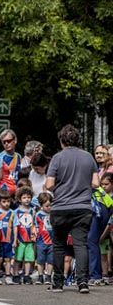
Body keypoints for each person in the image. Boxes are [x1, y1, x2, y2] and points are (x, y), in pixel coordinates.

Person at [45, 124, 100, 292]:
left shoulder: (57, 158)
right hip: (83, 207)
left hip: (61, 207)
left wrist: (62, 187)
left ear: (62, 140)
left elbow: (49, 184)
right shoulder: (88, 157)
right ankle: (82, 282)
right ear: (78, 140)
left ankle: (58, 282)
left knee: (59, 245)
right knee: (81, 244)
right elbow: (96, 183)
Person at [0, 129, 22, 194]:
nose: (6, 143)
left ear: (15, 140)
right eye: (4, 142)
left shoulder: (19, 156)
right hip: (4, 195)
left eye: (8, 141)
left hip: (16, 193)